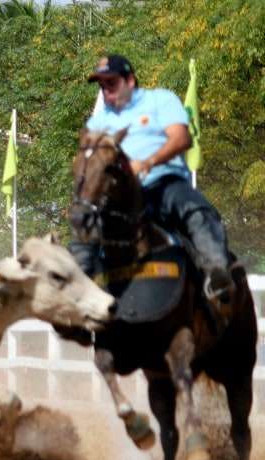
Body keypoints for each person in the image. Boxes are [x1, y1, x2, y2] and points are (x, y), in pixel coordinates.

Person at [76, 54, 235, 319]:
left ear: (130, 80)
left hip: (163, 182)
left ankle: (217, 273)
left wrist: (148, 162)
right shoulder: (97, 122)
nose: (106, 90)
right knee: (84, 227)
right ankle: (75, 295)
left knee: (193, 208)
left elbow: (181, 138)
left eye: (111, 83)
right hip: (119, 196)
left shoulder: (160, 100)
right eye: (101, 85)